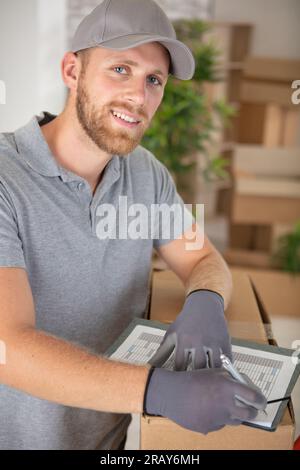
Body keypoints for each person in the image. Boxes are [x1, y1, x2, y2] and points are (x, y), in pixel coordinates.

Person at [0, 0, 266, 450]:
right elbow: (9, 349)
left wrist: (205, 300)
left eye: (154, 80)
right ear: (72, 70)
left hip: (109, 441)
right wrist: (156, 391)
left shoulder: (146, 174)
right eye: (120, 69)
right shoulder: (7, 179)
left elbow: (202, 255)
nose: (138, 97)